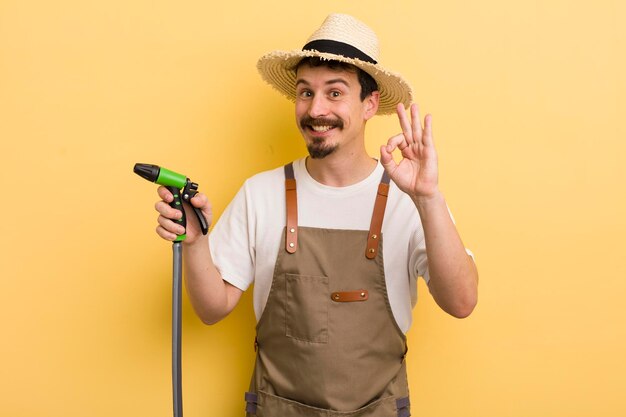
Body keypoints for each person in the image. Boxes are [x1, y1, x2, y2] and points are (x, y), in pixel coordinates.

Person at [154, 13, 478, 417]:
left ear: (369, 104)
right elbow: (211, 307)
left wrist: (428, 198)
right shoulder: (261, 193)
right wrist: (197, 241)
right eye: (305, 93)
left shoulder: (409, 197)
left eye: (335, 93)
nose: (315, 109)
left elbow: (461, 301)